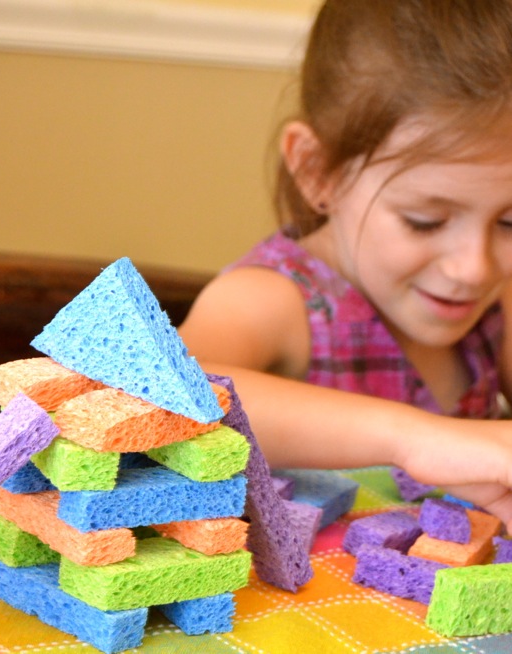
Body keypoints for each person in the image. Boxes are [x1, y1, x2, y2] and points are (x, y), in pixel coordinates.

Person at [178, 0, 512, 530]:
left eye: (511, 223)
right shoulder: (277, 301)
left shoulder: (499, 299)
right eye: (424, 220)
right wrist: (417, 438)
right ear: (318, 172)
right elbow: (167, 393)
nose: (474, 268)